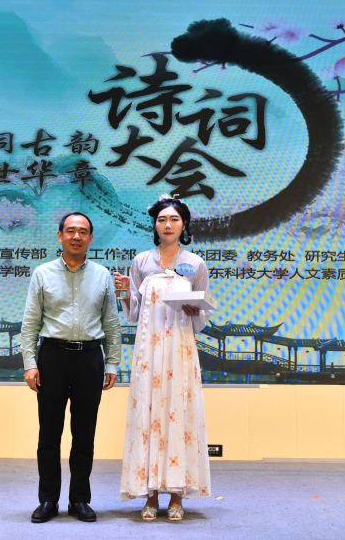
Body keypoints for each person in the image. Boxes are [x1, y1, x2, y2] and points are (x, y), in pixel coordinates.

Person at [114, 195, 212, 521]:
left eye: (174, 219)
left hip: (180, 348)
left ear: (184, 225)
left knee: (178, 412)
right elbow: (134, 313)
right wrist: (125, 290)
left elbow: (203, 313)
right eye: (161, 220)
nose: (167, 225)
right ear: (155, 225)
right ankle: (150, 495)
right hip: (149, 350)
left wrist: (195, 310)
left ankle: (177, 495)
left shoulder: (196, 263)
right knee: (148, 412)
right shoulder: (141, 261)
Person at [21, 212, 122, 523]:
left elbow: (111, 323)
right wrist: (30, 363)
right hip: (52, 357)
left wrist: (112, 362)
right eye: (70, 231)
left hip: (90, 359)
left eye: (83, 232)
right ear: (60, 235)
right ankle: (48, 500)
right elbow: (30, 322)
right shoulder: (42, 273)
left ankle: (79, 499)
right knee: (49, 434)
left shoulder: (103, 275)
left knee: (84, 434)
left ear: (91, 238)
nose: (76, 236)